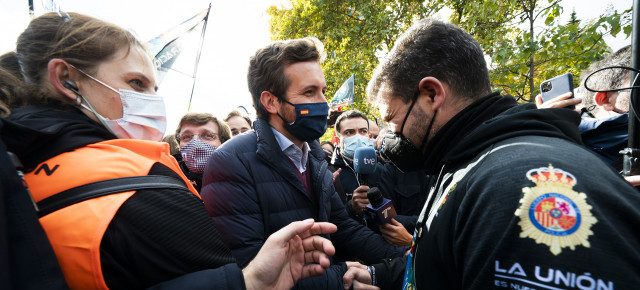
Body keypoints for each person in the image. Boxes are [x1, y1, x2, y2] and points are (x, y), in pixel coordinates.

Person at [0, 12, 336, 289]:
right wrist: (249, 281)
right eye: (135, 84)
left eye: (153, 87)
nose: (150, 101)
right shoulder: (143, 187)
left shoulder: (23, 169)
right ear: (66, 79)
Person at [343, 18, 640, 289]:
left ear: (432, 94)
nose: (389, 138)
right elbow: (449, 260)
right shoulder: (467, 164)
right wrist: (379, 275)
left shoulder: (516, 186)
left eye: (393, 120)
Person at [201, 36, 406, 289]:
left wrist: (403, 258)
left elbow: (341, 227)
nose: (324, 103)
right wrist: (339, 278)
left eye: (323, 91)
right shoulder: (230, 162)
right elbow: (251, 268)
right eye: (309, 92)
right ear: (271, 102)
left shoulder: (314, 156)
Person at [328, 110, 382, 217]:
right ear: (338, 140)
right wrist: (351, 208)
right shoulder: (329, 173)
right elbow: (329, 218)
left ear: (368, 135)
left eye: (363, 131)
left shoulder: (381, 169)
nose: (358, 137)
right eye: (349, 132)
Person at [173, 112, 231, 191]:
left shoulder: (237, 179)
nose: (195, 143)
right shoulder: (168, 177)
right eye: (187, 136)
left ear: (223, 143)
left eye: (208, 135)